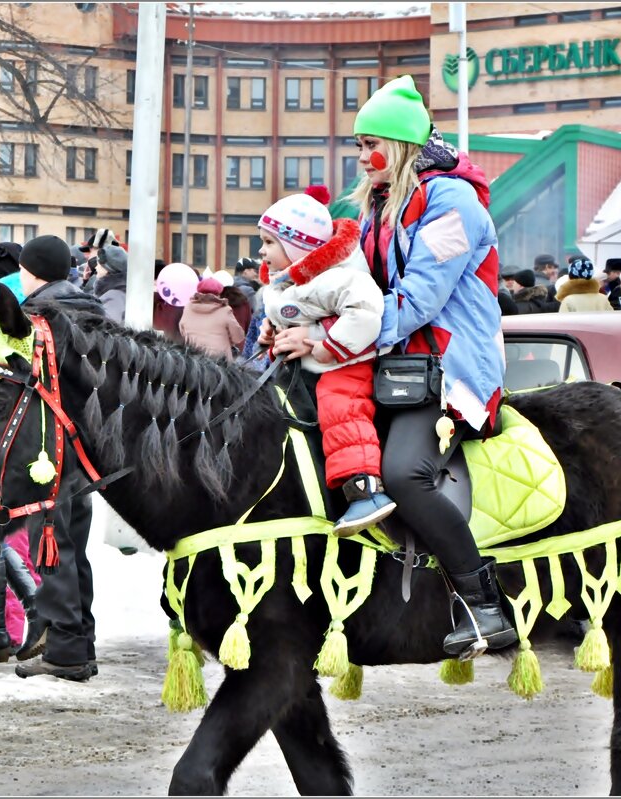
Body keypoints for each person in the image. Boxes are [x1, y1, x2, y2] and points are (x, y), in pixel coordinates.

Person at [270, 75, 514, 658]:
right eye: (357, 146)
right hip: (393, 361)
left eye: (367, 145)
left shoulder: (455, 204)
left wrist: (325, 338)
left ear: (398, 146)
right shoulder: (382, 201)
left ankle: (484, 604)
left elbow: (418, 301)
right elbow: (364, 289)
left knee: (406, 472)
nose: (359, 158)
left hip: (449, 367)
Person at [0, 235, 106, 682]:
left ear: (33, 270)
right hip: (84, 447)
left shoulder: (42, 316)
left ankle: (65, 650)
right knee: (73, 548)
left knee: (53, 546)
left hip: (49, 449)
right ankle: (80, 641)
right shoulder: (89, 308)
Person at [257, 190, 395, 535]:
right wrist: (272, 334)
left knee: (341, 411)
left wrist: (322, 344)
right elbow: (288, 315)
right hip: (304, 365)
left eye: (269, 242)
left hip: (344, 365)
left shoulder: (340, 278)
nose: (261, 251)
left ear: (297, 246)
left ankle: (363, 489)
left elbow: (366, 314)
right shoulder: (288, 281)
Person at [180, 276, 245, 359]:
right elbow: (238, 337)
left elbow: (182, 330)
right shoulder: (225, 310)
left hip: (194, 360)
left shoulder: (188, 307)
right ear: (218, 293)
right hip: (219, 361)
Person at [92, 244, 128, 324]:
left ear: (107, 268)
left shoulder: (114, 297)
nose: (96, 267)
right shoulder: (114, 292)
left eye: (99, 265)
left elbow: (108, 328)